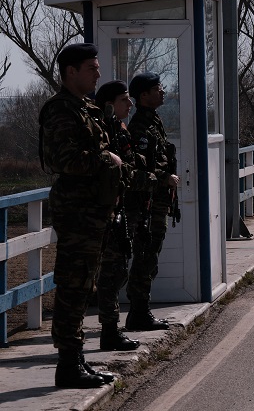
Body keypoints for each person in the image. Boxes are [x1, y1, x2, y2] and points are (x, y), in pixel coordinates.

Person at [39, 43, 121, 388]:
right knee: (74, 285)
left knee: (85, 282)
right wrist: (109, 162)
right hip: (76, 212)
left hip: (93, 210)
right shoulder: (61, 110)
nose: (98, 73)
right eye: (91, 67)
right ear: (71, 71)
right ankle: (68, 365)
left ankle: (77, 362)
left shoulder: (86, 107)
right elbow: (65, 161)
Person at [94, 80, 157, 351]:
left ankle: (112, 328)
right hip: (108, 209)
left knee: (119, 269)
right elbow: (118, 171)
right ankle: (109, 330)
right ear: (110, 104)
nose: (130, 104)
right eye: (124, 100)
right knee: (111, 272)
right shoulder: (104, 130)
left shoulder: (119, 128)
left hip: (124, 209)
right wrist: (149, 178)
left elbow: (130, 163)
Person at [124, 72, 180, 331]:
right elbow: (137, 168)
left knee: (150, 256)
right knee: (145, 257)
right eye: (157, 88)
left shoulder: (153, 121)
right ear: (144, 95)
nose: (162, 92)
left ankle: (141, 311)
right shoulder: (140, 128)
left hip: (156, 201)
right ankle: (138, 313)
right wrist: (164, 177)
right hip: (146, 203)